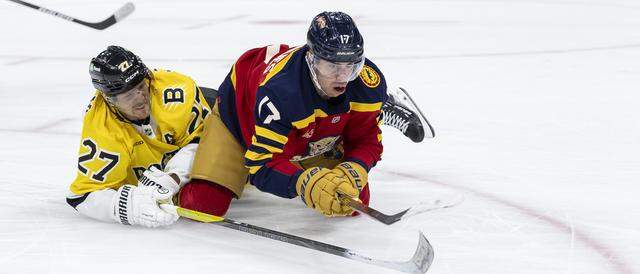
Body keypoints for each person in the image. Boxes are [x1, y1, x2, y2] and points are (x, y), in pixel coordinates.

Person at [179, 11, 427, 218]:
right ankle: (208, 107)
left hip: (306, 131)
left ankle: (384, 104)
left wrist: (353, 168)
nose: (342, 78)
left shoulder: (366, 83)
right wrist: (302, 181)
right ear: (312, 59)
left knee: (350, 201)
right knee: (203, 206)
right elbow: (262, 165)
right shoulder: (280, 91)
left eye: (350, 66)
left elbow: (367, 141)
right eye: (331, 66)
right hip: (240, 113)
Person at [66, 45, 210, 227]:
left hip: (208, 103)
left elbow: (208, 142)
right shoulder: (101, 127)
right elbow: (82, 196)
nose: (141, 97)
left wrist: (174, 176)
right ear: (109, 99)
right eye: (129, 95)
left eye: (142, 86)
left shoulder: (178, 90)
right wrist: (128, 205)